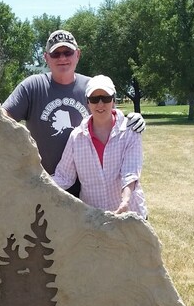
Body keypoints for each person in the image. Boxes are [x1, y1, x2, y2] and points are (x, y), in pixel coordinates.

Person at [2, 30, 145, 196]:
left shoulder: (91, 86)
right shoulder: (32, 87)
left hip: (89, 190)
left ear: (77, 54)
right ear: (46, 57)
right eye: (56, 54)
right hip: (47, 185)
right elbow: (1, 119)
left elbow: (109, 115)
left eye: (68, 52)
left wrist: (133, 119)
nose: (62, 58)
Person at [50, 74, 147, 217]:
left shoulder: (130, 132)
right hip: (95, 220)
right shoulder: (77, 137)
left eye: (106, 98)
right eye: (94, 99)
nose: (100, 104)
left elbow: (130, 173)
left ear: (113, 100)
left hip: (131, 215)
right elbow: (64, 177)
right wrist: (34, 185)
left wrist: (125, 201)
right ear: (87, 103)